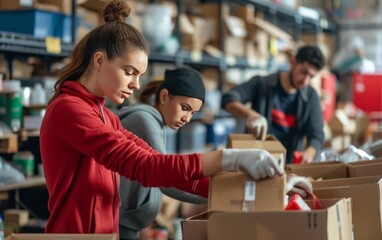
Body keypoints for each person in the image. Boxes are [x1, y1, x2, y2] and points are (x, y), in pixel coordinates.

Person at [40, 0, 287, 234]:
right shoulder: (69, 110)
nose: (136, 84)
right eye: (129, 72)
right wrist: (229, 159)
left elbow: (162, 166)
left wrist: (261, 188)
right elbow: (146, 168)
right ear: (100, 60)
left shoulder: (108, 117)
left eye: (140, 75)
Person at [117, 67, 209, 239]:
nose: (187, 118)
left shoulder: (156, 123)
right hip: (120, 225)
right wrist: (218, 195)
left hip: (129, 224)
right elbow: (166, 179)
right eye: (184, 108)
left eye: (193, 113)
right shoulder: (145, 122)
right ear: (164, 96)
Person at [222, 45, 325, 164]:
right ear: (293, 62)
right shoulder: (262, 84)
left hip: (287, 166)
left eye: (311, 76)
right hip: (255, 162)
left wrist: (310, 152)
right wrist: (251, 114)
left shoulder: (310, 97)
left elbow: (317, 135)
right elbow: (228, 98)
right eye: (303, 72)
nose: (305, 81)